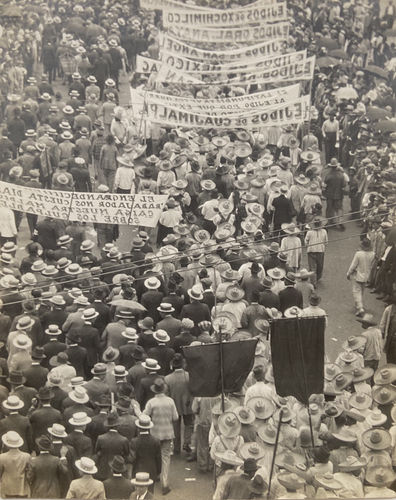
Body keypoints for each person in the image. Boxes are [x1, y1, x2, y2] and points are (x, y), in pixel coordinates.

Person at [143, 378, 178, 495]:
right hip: (167, 433)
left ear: (155, 390)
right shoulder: (170, 401)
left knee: (153, 456)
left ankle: (154, 477)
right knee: (166, 458)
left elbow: (145, 417)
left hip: (154, 433)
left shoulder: (151, 402)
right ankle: (165, 483)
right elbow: (175, 417)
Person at [346, 238, 375, 317]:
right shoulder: (372, 254)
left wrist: (348, 273)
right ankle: (358, 305)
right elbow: (372, 265)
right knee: (361, 291)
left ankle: (360, 308)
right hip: (366, 275)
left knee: (356, 291)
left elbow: (353, 265)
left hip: (358, 275)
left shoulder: (358, 254)